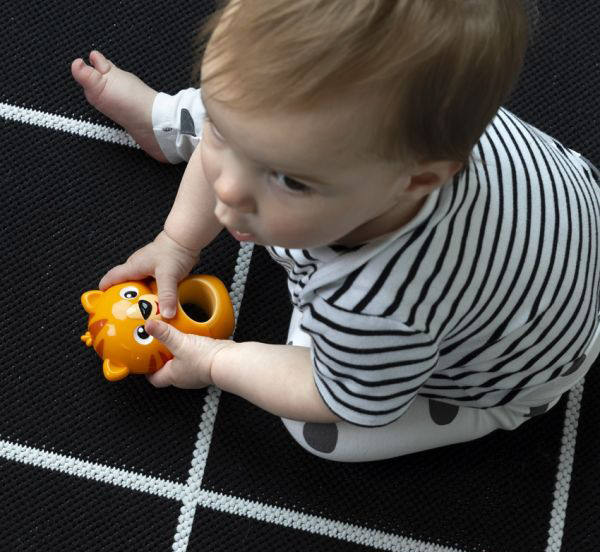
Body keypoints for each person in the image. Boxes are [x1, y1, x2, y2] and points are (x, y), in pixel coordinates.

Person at [71, 0, 600, 462]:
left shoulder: (376, 307)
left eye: (289, 180)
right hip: (568, 207)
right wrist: (178, 240)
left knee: (319, 428)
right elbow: (251, 143)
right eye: (218, 132)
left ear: (417, 182)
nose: (227, 191)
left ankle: (488, 412)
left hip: (525, 366)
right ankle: (172, 121)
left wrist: (216, 361)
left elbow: (336, 396)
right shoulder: (405, 128)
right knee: (256, 108)